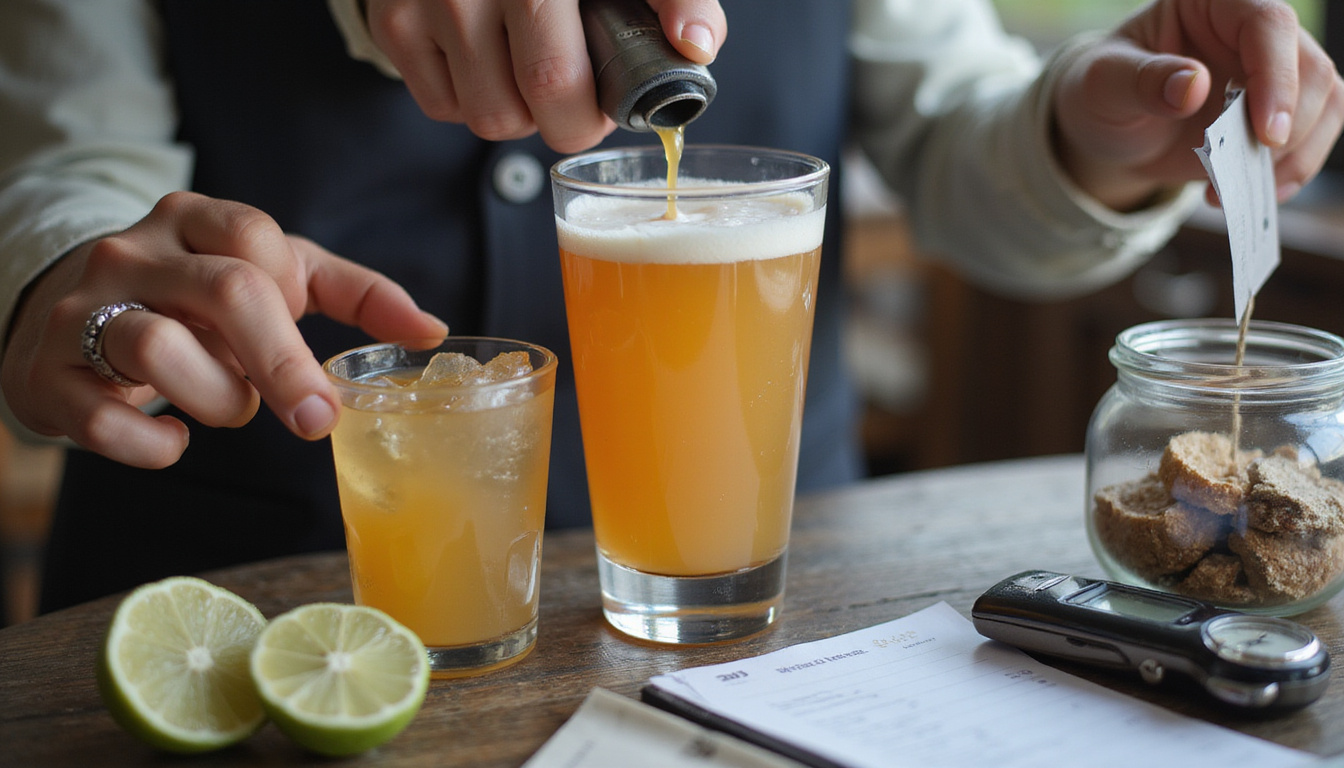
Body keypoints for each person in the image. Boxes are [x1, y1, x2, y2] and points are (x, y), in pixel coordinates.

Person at [1, 0, 1339, 613]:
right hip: (265, 612)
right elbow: (62, 164)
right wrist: (75, 275)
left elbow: (947, 124)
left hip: (773, 626)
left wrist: (1092, 133)